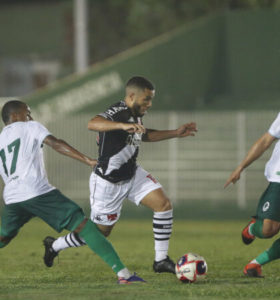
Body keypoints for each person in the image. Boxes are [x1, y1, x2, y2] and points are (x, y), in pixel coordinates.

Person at [45, 76, 197, 274]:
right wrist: (122, 126)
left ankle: (160, 260)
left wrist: (175, 133)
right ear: (132, 96)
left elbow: (143, 135)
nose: (150, 104)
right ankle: (54, 245)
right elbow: (93, 123)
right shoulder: (118, 111)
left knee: (163, 205)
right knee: (99, 235)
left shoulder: (134, 113)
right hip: (108, 182)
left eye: (151, 99)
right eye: (147, 99)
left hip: (132, 174)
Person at [0, 100, 145, 284]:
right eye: (27, 113)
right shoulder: (30, 126)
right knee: (84, 225)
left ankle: (53, 246)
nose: (30, 117)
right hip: (36, 192)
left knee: (4, 236)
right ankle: (125, 275)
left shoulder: (1, 139)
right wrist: (87, 160)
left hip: (12, 198)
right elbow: (56, 144)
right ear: (15, 116)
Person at [224, 100, 280, 277]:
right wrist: (241, 167)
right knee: (268, 230)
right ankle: (252, 228)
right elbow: (266, 140)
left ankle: (254, 265)